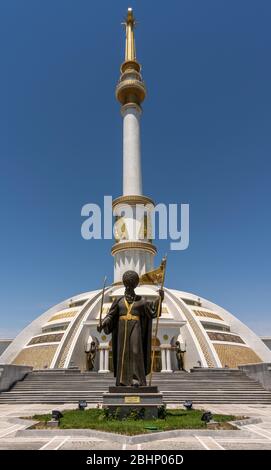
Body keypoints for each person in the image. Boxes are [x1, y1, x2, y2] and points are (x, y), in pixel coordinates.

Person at [97, 270, 164, 386]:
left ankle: (137, 379)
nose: (129, 287)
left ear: (135, 285)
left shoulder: (141, 301)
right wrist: (103, 323)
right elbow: (111, 315)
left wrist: (160, 299)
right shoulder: (118, 301)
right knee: (122, 353)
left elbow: (152, 311)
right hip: (122, 328)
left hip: (136, 327)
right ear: (125, 285)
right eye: (127, 284)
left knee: (135, 351)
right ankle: (122, 380)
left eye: (131, 284)